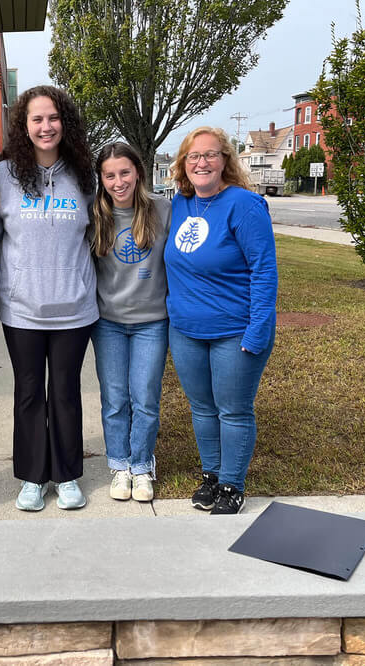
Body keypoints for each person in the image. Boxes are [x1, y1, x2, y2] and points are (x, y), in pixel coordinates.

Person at [0, 85, 98, 512]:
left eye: (52, 117)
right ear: (24, 126)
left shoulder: (85, 174)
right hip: (23, 310)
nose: (45, 126)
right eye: (36, 119)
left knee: (67, 392)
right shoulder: (3, 176)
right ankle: (34, 477)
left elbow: (99, 232)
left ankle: (68, 474)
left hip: (75, 307)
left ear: (64, 122)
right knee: (30, 393)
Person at [164, 127, 278, 515]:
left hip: (235, 331)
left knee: (233, 409)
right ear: (183, 164)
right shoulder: (179, 205)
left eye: (211, 155)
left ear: (226, 160)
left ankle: (232, 483)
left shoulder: (245, 206)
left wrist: (259, 329)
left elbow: (264, 271)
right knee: (202, 408)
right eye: (194, 156)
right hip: (185, 331)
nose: (202, 162)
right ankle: (211, 475)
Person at [90, 142, 172, 503]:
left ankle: (141, 467)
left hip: (152, 322)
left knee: (145, 397)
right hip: (107, 322)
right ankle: (119, 466)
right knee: (115, 399)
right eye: (110, 175)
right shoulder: (94, 215)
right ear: (102, 179)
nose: (118, 181)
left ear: (138, 171)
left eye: (124, 172)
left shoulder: (163, 210)